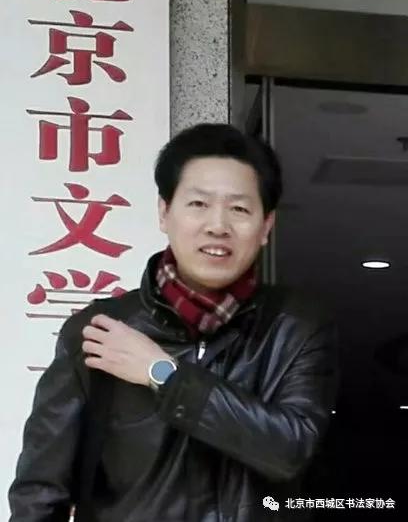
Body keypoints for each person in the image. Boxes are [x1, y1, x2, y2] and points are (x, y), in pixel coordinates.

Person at [9, 123, 337, 521]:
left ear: (266, 227)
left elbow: (290, 450)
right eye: (198, 204)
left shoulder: (294, 327)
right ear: (164, 213)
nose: (218, 225)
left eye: (239, 209)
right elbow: (40, 493)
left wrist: (163, 373)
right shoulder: (99, 330)